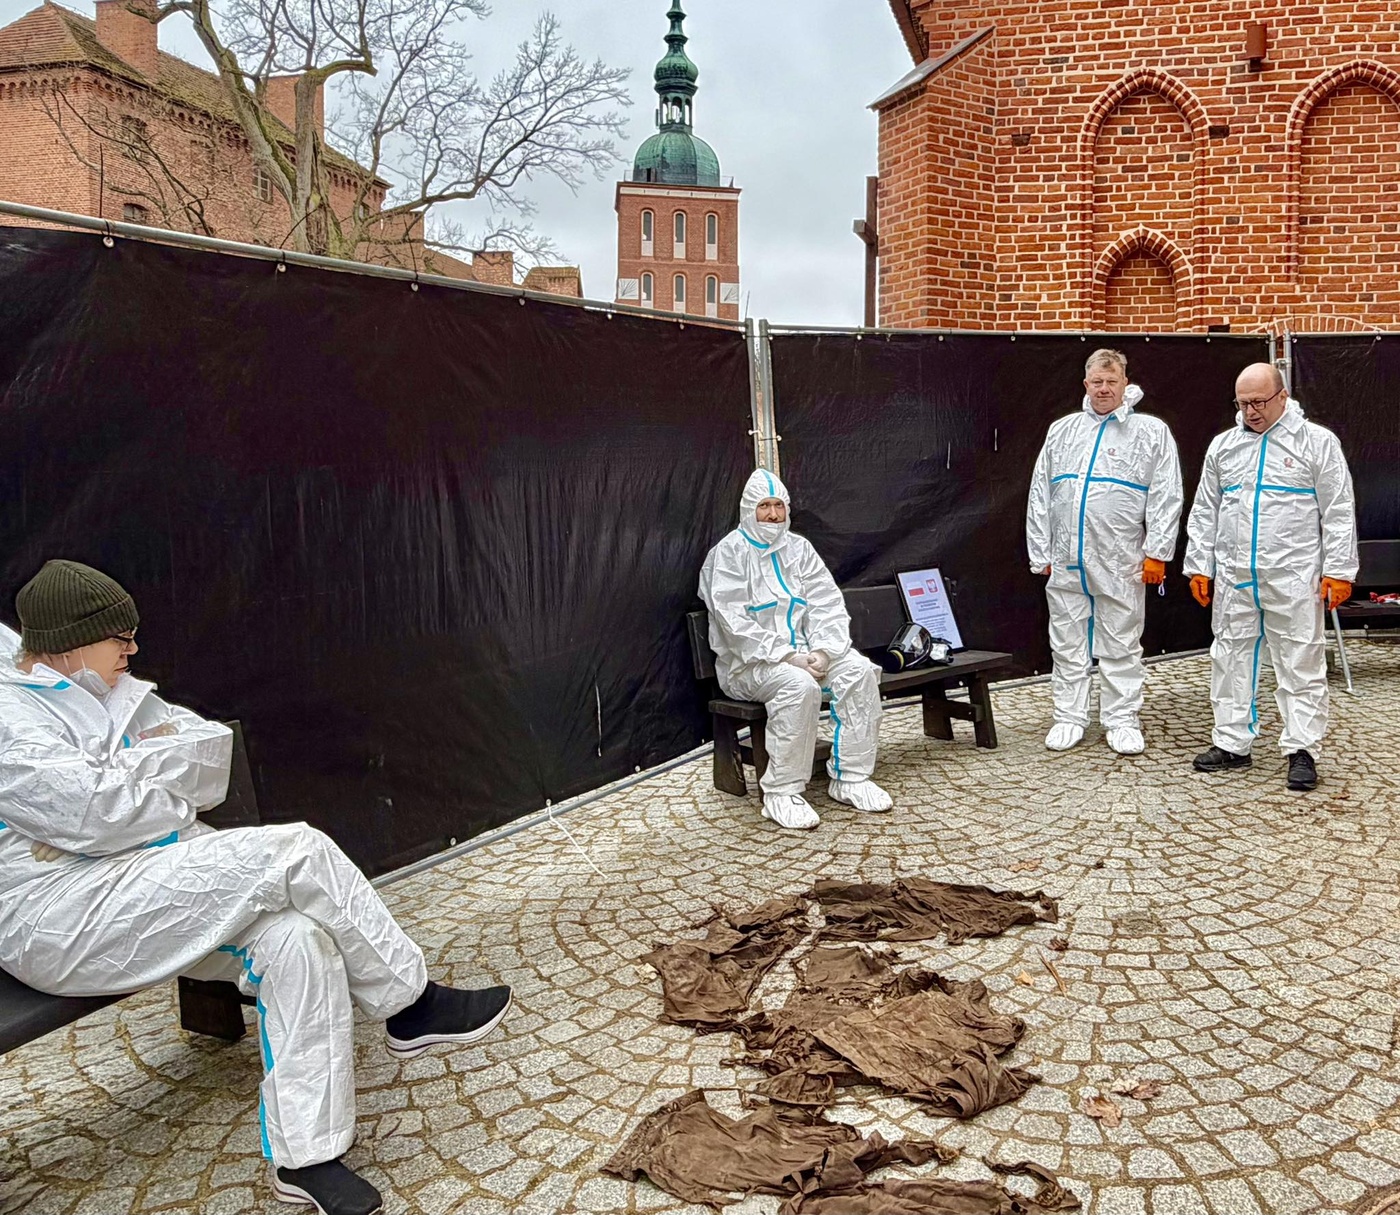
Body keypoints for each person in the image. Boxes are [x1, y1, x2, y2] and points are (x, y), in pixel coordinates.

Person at [0, 560, 512, 1215]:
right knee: (296, 849)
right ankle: (410, 1003)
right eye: (119, 639)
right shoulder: (14, 722)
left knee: (299, 940)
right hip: (59, 914)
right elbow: (96, 815)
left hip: (145, 880)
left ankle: (306, 1156)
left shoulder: (106, 687)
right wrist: (143, 790)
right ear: (72, 642)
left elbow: (207, 755)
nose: (133, 650)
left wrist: (127, 773)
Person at [1183, 363, 1358, 791]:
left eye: (1259, 402)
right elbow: (1205, 509)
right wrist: (1199, 565)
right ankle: (1231, 742)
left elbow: (1337, 511)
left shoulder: (1316, 443)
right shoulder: (1224, 447)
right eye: (1242, 403)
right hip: (1235, 575)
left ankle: (1302, 749)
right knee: (1229, 658)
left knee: (1300, 661)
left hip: (1294, 575)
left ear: (1282, 396)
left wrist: (1338, 570)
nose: (1250, 411)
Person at [699, 469, 891, 830]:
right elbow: (734, 625)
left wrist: (824, 651)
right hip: (748, 667)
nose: (772, 515)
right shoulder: (727, 555)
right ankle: (781, 792)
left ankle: (851, 776)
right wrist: (787, 656)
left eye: (778, 507)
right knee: (797, 686)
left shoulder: (799, 549)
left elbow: (826, 603)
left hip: (806, 655)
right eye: (764, 507)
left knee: (859, 671)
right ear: (747, 510)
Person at [1025, 348, 1183, 755]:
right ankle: (1069, 716)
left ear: (1125, 384)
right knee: (1066, 639)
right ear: (1085, 385)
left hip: (1121, 559)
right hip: (1066, 558)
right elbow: (1041, 492)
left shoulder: (1150, 432)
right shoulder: (1062, 431)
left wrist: (1158, 552)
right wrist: (1039, 549)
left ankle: (1121, 718)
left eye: (1112, 382)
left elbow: (1166, 495)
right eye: (1097, 382)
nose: (1104, 389)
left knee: (1121, 640)